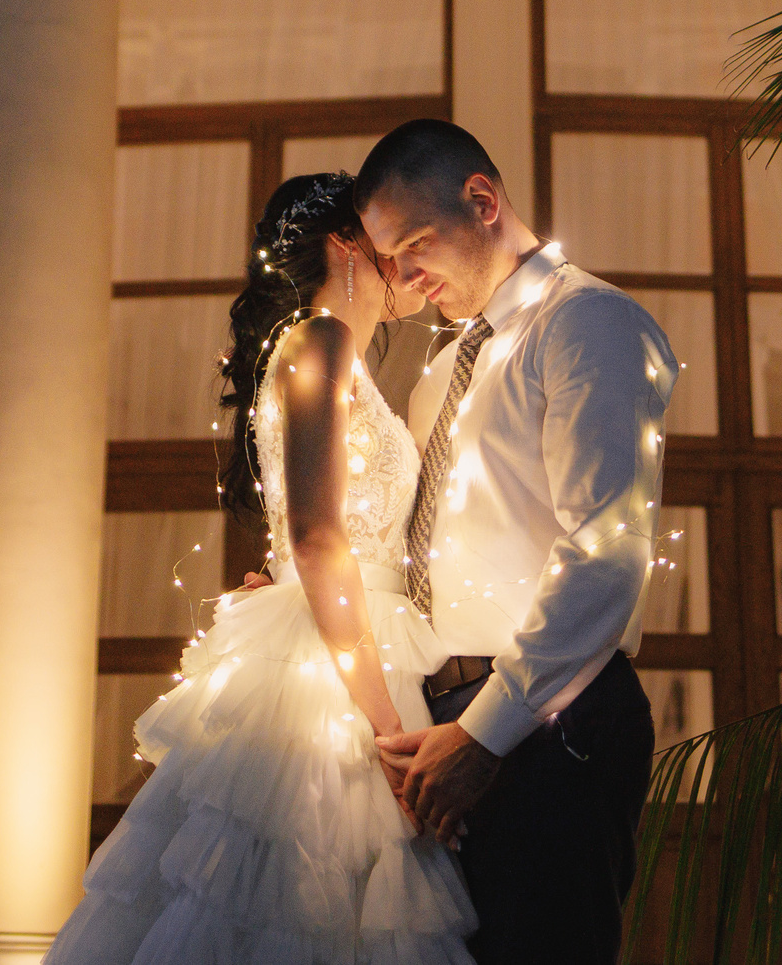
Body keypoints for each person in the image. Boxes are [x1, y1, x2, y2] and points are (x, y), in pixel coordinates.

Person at [45, 172, 478, 964]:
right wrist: (388, 731)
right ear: (347, 245)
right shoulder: (322, 341)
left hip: (345, 633)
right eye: (388, 241)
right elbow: (317, 537)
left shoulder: (323, 350)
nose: (408, 261)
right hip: (332, 664)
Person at [358, 120, 678, 965]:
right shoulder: (444, 369)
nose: (403, 278)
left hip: (551, 726)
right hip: (449, 729)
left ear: (483, 200)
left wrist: (487, 731)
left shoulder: (589, 324)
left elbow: (605, 546)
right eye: (388, 260)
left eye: (414, 245)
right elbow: (403, 548)